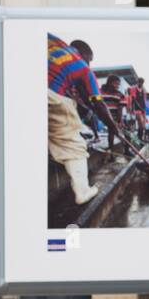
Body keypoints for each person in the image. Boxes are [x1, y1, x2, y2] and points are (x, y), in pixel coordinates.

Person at [47, 34, 106, 205]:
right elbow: (98, 104)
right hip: (51, 93)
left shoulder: (53, 41)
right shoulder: (82, 68)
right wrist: (114, 127)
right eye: (90, 60)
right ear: (84, 54)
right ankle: (83, 191)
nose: (89, 64)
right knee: (72, 144)